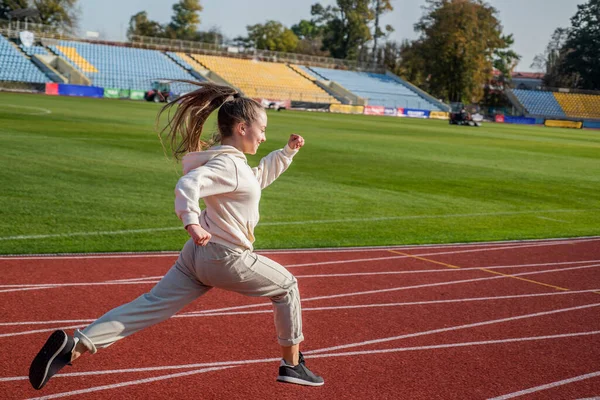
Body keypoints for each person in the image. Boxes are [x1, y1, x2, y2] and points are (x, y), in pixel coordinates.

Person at [28, 82, 324, 390]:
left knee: (152, 304)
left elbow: (255, 179)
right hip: (224, 256)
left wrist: (287, 152)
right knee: (287, 285)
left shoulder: (229, 162)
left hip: (196, 257)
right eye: (262, 129)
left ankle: (74, 346)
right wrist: (191, 221)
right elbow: (188, 186)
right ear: (242, 127)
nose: (264, 136)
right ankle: (292, 365)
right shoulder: (228, 164)